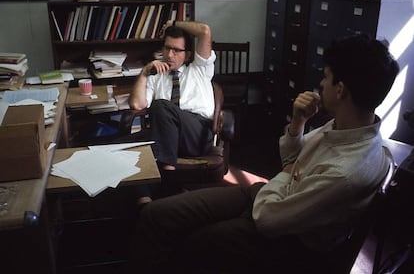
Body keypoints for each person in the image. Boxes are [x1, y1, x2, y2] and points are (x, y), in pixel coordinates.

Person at [127, 34, 399, 273]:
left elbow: (269, 219)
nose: (320, 84)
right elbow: (292, 163)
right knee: (158, 215)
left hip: (284, 236)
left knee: (189, 241)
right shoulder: (345, 126)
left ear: (340, 91)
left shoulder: (347, 172)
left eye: (325, 77)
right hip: (268, 197)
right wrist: (298, 124)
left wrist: (283, 178)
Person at [128, 20, 216, 195]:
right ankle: (143, 201)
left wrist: (173, 23)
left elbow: (204, 31)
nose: (169, 54)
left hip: (196, 134)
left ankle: (168, 182)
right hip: (167, 135)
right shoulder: (156, 76)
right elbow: (137, 104)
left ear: (188, 54)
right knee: (127, 147)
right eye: (167, 48)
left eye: (176, 50)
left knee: (161, 105)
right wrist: (145, 72)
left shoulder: (200, 69)